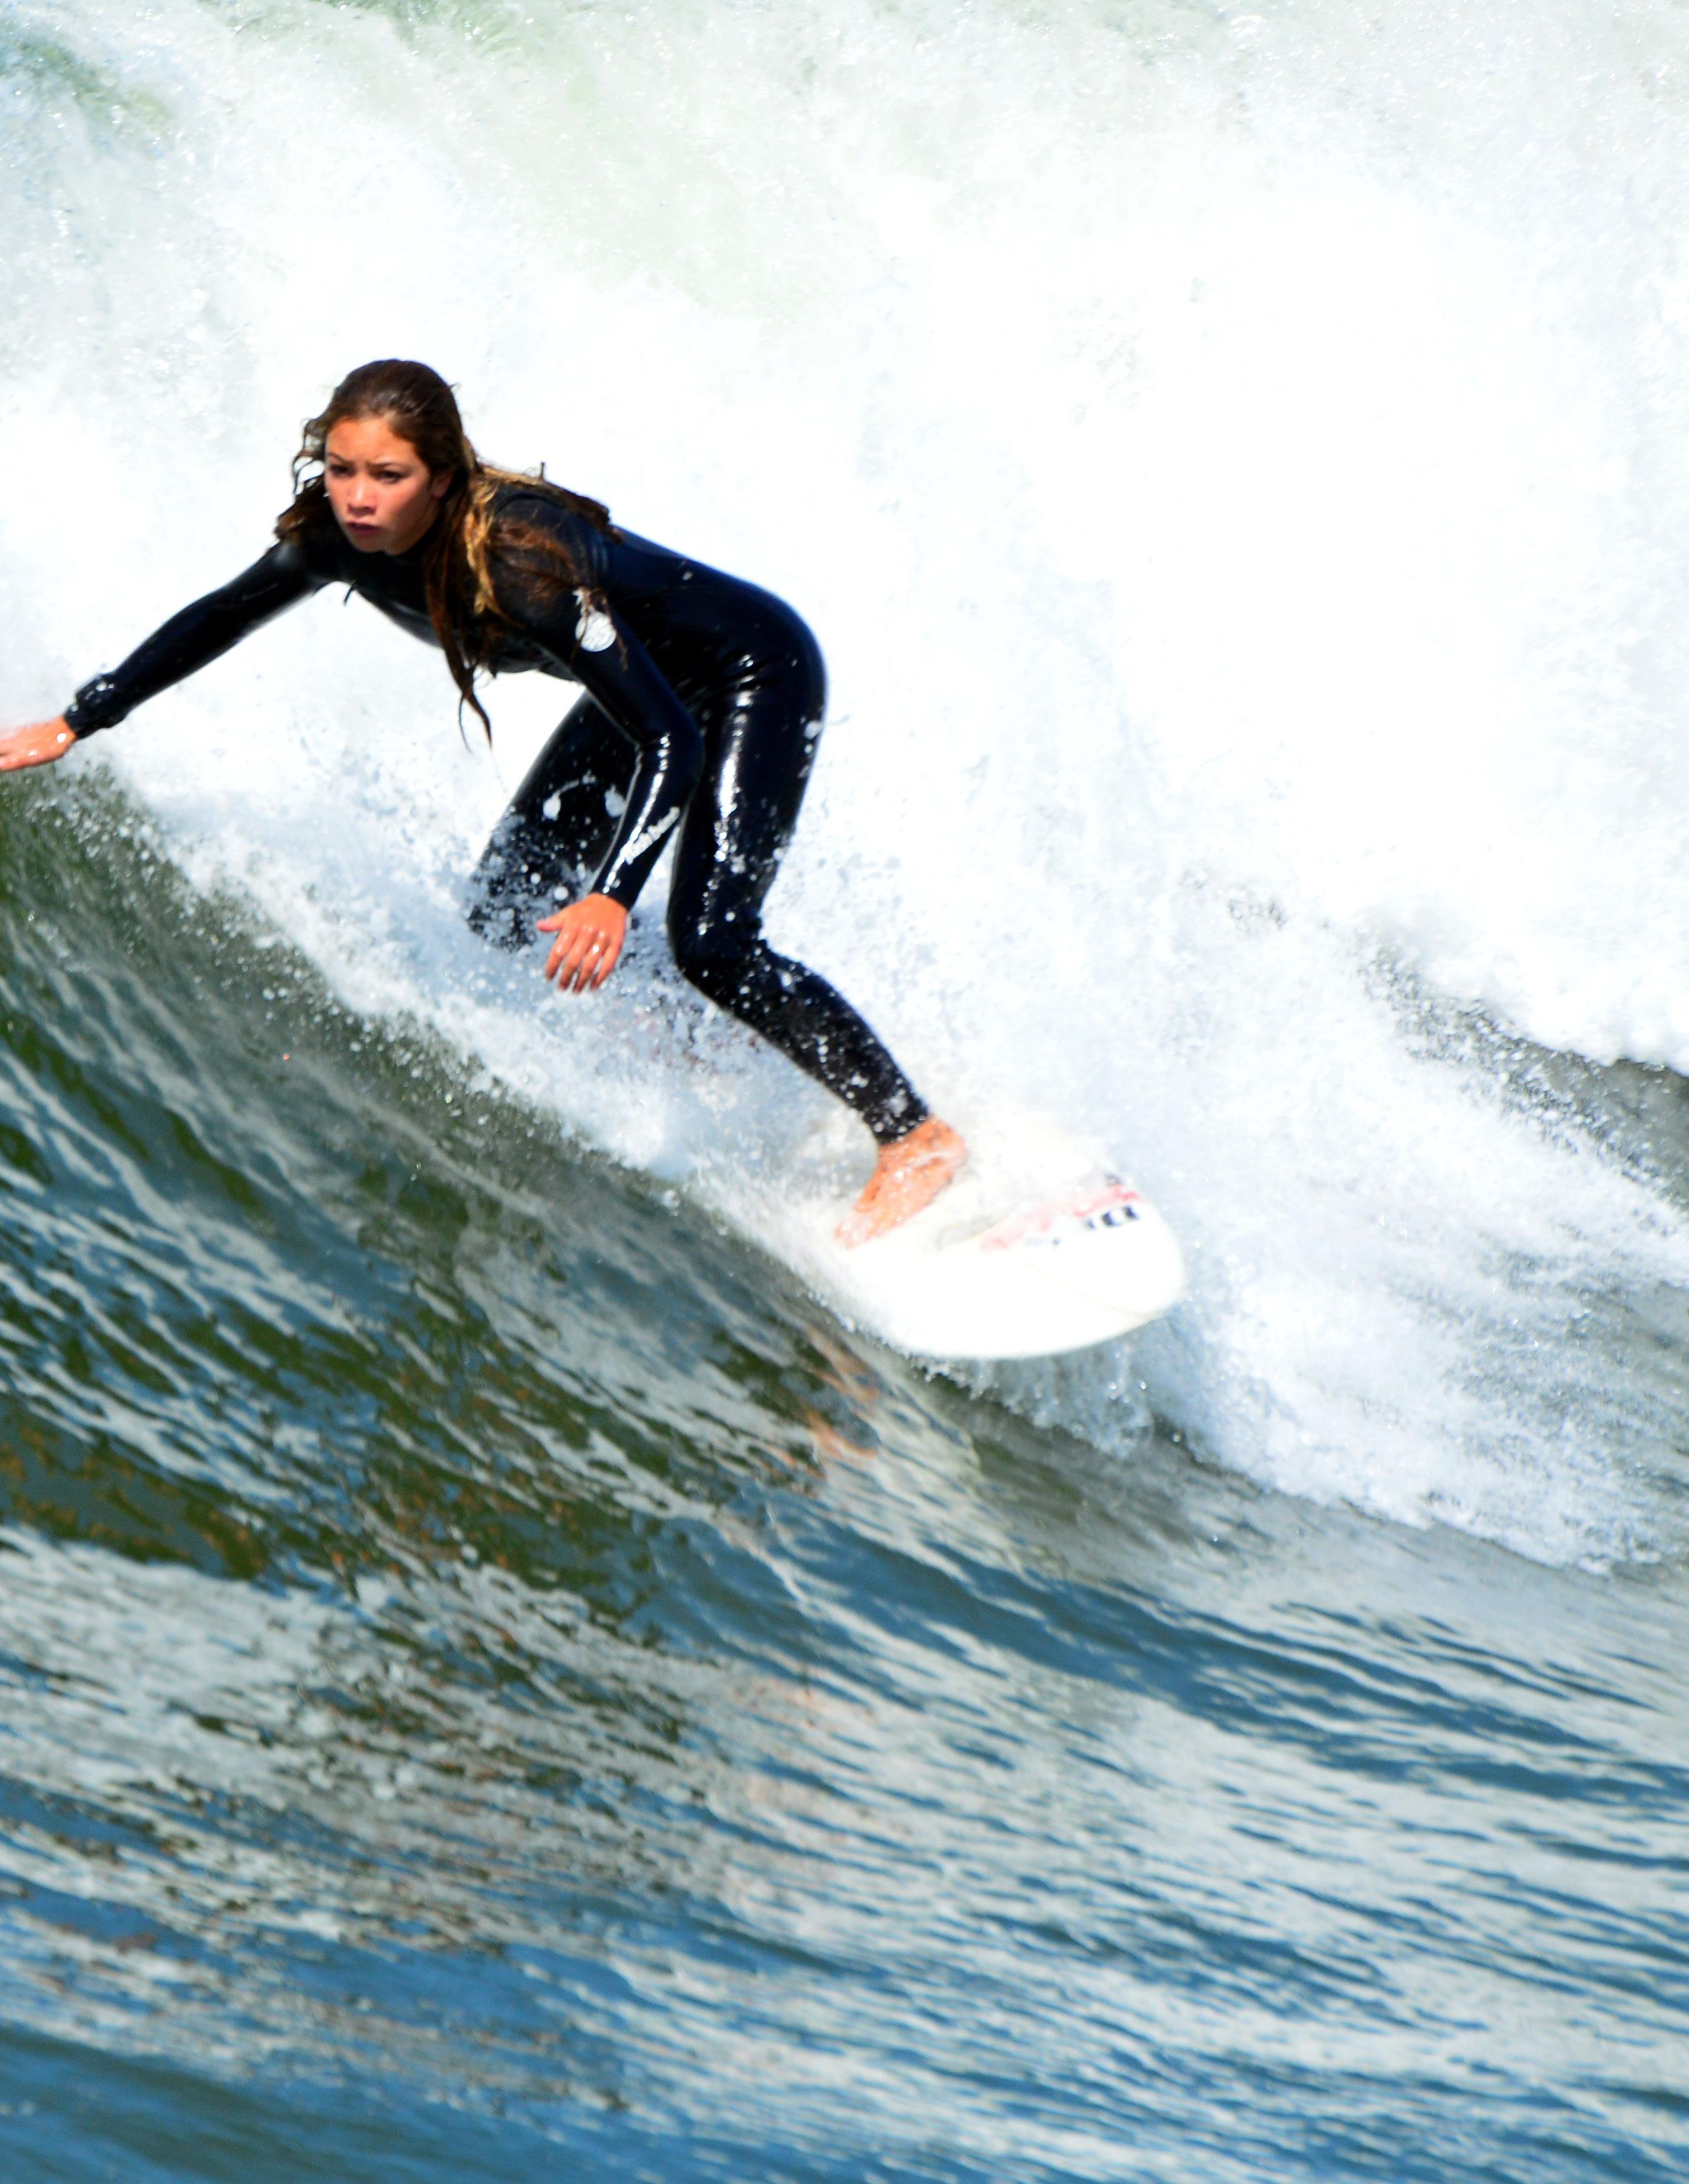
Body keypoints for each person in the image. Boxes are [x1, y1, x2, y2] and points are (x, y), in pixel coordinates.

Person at [0, 360, 964, 1244]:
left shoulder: (522, 565)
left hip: (751, 673)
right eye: (341, 469)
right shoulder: (335, 539)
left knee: (712, 939)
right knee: (504, 909)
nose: (358, 496)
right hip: (650, 689)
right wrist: (83, 718)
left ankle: (913, 1135)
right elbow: (223, 615)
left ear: (443, 478)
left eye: (388, 476)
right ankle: (705, 1033)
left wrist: (613, 894)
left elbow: (670, 741)